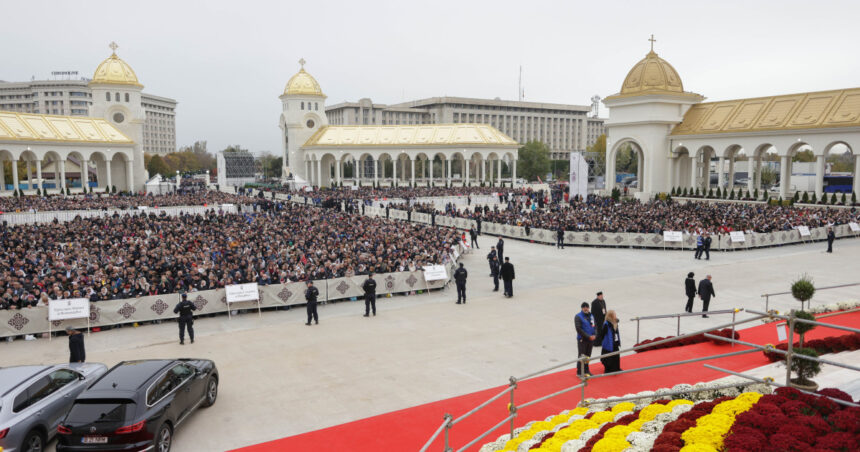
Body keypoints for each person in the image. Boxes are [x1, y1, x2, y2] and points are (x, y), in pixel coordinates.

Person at [574, 302, 595, 376]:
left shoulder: (591, 315)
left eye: (587, 307)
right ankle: (579, 372)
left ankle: (586, 370)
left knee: (588, 356)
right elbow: (578, 329)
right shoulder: (578, 316)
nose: (586, 308)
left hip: (591, 339)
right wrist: (588, 336)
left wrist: (595, 335)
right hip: (582, 340)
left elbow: (595, 326)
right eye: (584, 307)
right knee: (582, 356)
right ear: (582, 308)